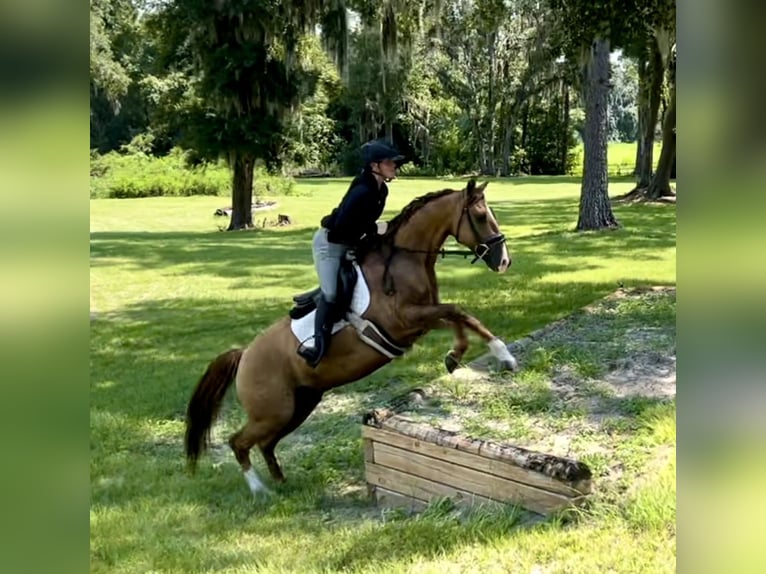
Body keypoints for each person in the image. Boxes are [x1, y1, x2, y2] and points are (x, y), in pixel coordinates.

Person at [297, 140, 406, 368]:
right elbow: (343, 226)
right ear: (375, 165)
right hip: (330, 245)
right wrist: (374, 228)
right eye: (390, 163)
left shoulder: (380, 190)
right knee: (331, 295)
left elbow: (362, 224)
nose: (395, 166)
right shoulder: (363, 190)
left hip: (351, 243)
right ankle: (317, 346)